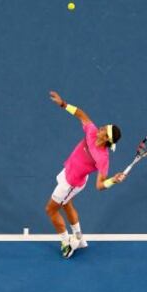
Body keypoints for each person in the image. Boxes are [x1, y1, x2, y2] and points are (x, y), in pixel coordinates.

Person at [46, 90, 126, 258]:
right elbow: (81, 114)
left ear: (106, 138)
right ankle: (80, 238)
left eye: (105, 129)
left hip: (72, 182)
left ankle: (66, 243)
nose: (102, 127)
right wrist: (63, 104)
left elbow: (99, 185)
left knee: (51, 210)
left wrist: (113, 181)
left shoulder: (103, 158)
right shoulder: (92, 132)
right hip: (68, 171)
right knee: (67, 204)